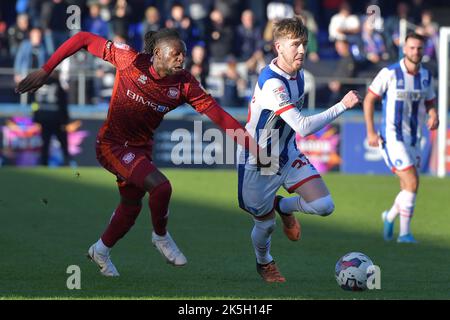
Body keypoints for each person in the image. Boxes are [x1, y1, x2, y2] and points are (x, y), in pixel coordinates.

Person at [16, 28, 258, 277]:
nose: (180, 60)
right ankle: (161, 236)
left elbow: (219, 116)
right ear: (157, 54)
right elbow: (83, 39)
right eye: (175, 54)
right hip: (112, 145)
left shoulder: (184, 84)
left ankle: (100, 251)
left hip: (141, 149)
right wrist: (46, 70)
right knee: (161, 187)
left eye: (183, 55)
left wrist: (252, 147)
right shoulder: (129, 60)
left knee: (131, 206)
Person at [236, 17, 361, 283]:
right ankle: (264, 262)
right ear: (278, 47)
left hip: (287, 153)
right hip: (259, 160)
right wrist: (341, 106)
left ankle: (282, 205)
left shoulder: (299, 74)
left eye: (304, 44)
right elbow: (303, 126)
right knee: (265, 224)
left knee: (325, 206)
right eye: (296, 44)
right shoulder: (273, 83)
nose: (302, 50)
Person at [363, 32, 439, 244]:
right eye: (412, 48)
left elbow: (430, 102)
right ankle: (404, 234)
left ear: (423, 51)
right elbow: (369, 100)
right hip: (392, 137)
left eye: (419, 48)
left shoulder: (426, 76)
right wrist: (370, 131)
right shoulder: (389, 73)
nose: (415, 52)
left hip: (415, 138)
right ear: (404, 49)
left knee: (409, 186)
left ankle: (389, 216)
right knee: (412, 181)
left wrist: (433, 115)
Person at [32, 70, 70, 166]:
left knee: (45, 143)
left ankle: (43, 163)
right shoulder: (57, 86)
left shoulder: (39, 86)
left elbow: (34, 103)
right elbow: (63, 104)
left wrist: (36, 117)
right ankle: (67, 162)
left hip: (43, 119)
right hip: (56, 119)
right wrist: (65, 120)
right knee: (63, 142)